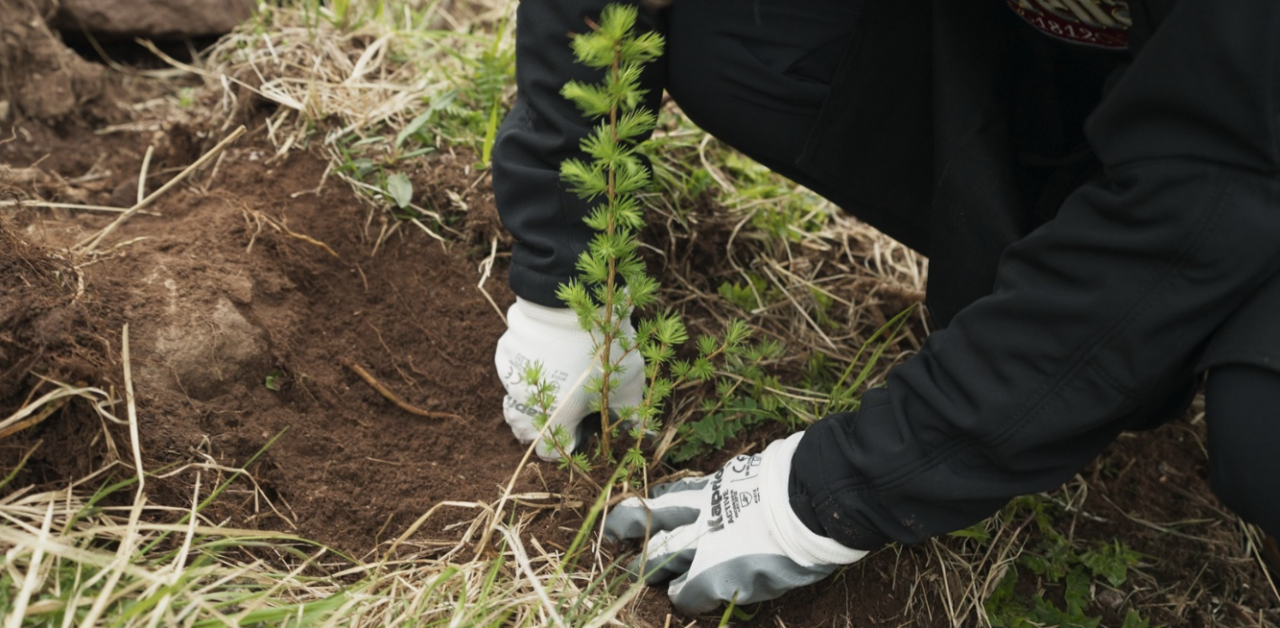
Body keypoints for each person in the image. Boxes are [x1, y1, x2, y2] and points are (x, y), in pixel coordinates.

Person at [491, 0, 1280, 615]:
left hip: (1250, 120)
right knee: (729, 31)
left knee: (1266, 440)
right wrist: (564, 281)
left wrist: (830, 490)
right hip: (1121, 74)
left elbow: (1209, 188)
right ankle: (1069, 271)